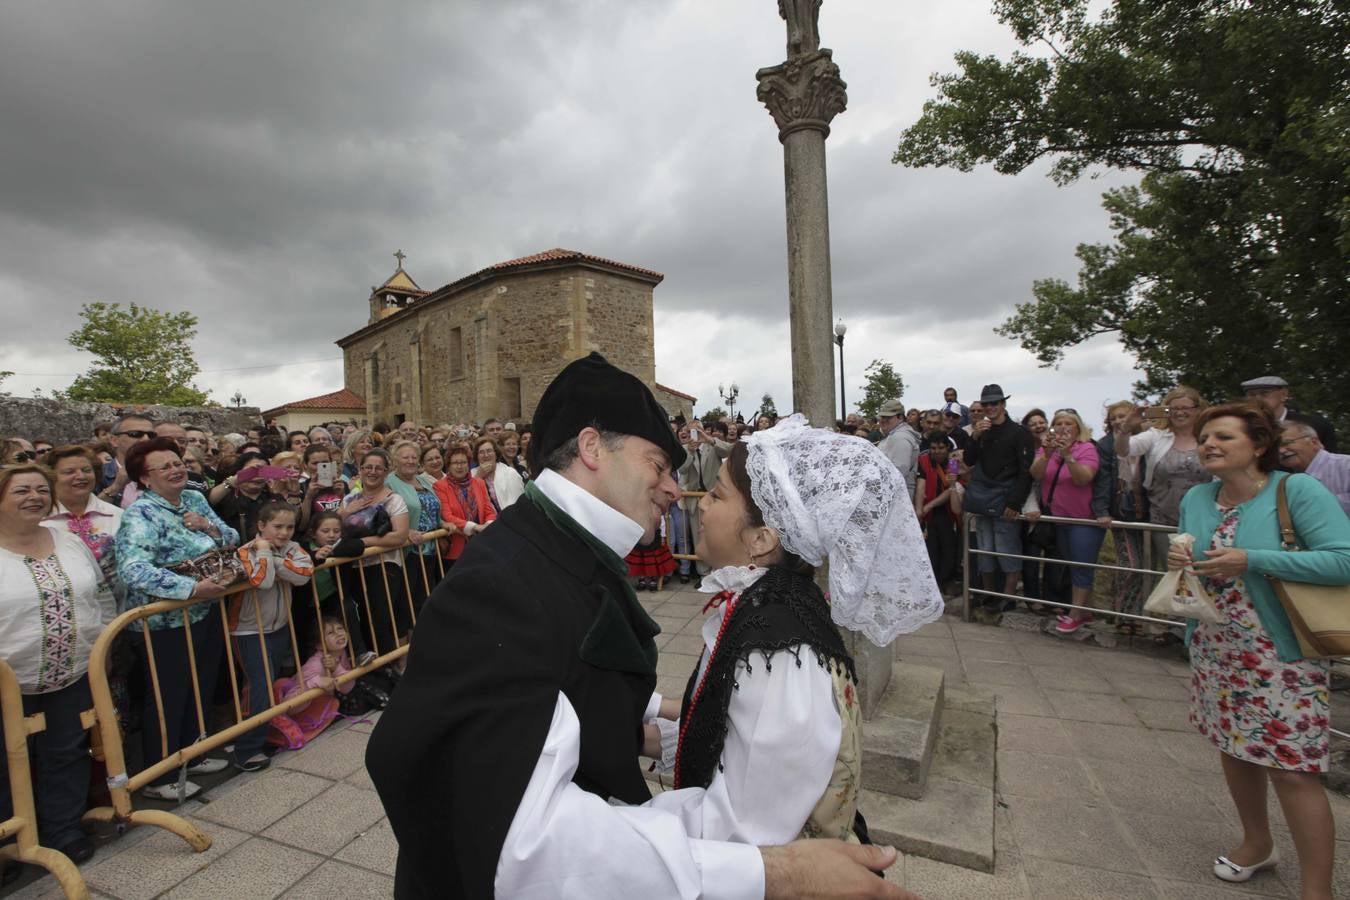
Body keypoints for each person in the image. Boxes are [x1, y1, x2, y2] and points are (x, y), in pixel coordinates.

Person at [366, 352, 913, 900]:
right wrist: (775, 873)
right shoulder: (501, 586)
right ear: (591, 449)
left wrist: (653, 722)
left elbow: (565, 686)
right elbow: (523, 841)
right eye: (658, 464)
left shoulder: (558, 553)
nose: (677, 491)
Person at [645, 416, 942, 848]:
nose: (702, 505)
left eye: (717, 494)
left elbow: (744, 832)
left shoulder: (780, 652)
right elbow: (725, 738)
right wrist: (636, 729)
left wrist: (609, 829)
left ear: (761, 539)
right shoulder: (765, 606)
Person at [1170, 401, 1350, 897]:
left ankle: (1318, 889)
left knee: (1293, 770)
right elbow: (1196, 557)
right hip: (1217, 646)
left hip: (1281, 652)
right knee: (1234, 750)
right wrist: (1179, 557)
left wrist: (1251, 559)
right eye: (1206, 437)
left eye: (1224, 437)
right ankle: (1257, 843)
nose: (1209, 444)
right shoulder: (1198, 498)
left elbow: (1344, 560)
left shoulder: (1298, 490)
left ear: (1260, 445)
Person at [0, 464, 114, 865]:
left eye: (40, 489)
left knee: (66, 751)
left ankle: (62, 829)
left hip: (73, 673)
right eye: (20, 491)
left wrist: (101, 646)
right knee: (5, 760)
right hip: (8, 684)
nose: (34, 497)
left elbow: (99, 594)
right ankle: (8, 841)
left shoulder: (68, 541)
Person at [116, 437, 238, 801]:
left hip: (204, 612)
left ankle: (193, 752)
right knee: (168, 694)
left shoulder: (196, 500)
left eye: (177, 462)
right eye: (164, 466)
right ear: (145, 478)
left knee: (199, 683)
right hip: (163, 622)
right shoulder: (141, 514)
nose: (176, 469)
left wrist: (209, 527)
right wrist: (190, 588)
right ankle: (161, 771)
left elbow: (230, 537)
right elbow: (133, 569)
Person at [231, 502, 313, 771]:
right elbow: (263, 581)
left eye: (289, 527)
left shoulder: (292, 548)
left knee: (264, 684)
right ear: (261, 526)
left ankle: (259, 733)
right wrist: (266, 554)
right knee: (258, 686)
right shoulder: (245, 551)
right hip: (249, 629)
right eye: (277, 527)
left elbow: (303, 575)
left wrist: (274, 560)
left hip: (277, 626)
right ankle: (247, 749)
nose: (284, 532)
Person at [1115, 386, 1209, 576]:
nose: (1180, 412)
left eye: (1186, 408)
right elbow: (1124, 450)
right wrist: (1125, 429)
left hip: (1204, 520)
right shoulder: (1157, 436)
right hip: (1164, 520)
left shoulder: (1208, 437)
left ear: (1198, 410)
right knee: (1175, 576)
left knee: (1203, 573)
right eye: (1174, 409)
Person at [963, 385, 1037, 619]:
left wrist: (1015, 502)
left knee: (1007, 548)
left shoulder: (1019, 432)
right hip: (984, 495)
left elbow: (1026, 470)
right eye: (986, 404)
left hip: (1006, 494)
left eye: (994, 403)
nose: (990, 408)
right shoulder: (980, 431)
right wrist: (975, 437)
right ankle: (988, 593)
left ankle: (1008, 596)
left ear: (1003, 404)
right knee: (985, 548)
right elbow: (969, 459)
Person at [1030, 410, 1103, 634]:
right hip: (1059, 518)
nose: (1063, 427)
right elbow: (1036, 474)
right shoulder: (1047, 450)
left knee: (1082, 565)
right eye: (1058, 423)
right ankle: (1083, 610)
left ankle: (1076, 614)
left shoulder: (1087, 448)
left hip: (1084, 519)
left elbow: (1083, 478)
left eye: (1068, 423)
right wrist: (1047, 454)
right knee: (1072, 565)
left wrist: (1069, 456)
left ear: (1077, 427)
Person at [337, 448, 410, 657]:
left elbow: (399, 536)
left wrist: (363, 543)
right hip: (353, 569)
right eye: (368, 467)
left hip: (383, 567)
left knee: (380, 621)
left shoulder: (393, 500)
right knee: (362, 624)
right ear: (359, 470)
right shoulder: (349, 499)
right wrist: (344, 512)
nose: (373, 471)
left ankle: (387, 671)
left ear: (386, 472)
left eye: (378, 468)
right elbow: (335, 530)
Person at [43, 444, 124, 595]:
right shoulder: (41, 521)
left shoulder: (118, 515)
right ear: (51, 477)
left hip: (123, 610)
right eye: (69, 472)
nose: (80, 476)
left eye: (87, 470)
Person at [1101, 401, 1149, 624]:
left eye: (1123, 416)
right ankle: (1121, 613)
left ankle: (1135, 617)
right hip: (1121, 512)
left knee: (1147, 568)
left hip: (1148, 512)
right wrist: (1102, 510)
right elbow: (1102, 481)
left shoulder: (1149, 441)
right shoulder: (1106, 445)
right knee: (1131, 565)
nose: (1119, 421)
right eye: (1114, 418)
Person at [678, 421, 733, 579]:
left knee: (717, 534)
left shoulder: (712, 446)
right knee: (698, 537)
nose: (693, 434)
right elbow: (682, 470)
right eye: (690, 431)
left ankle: (720, 571)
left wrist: (708, 439)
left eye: (697, 430)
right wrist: (689, 451)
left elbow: (729, 450)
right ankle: (703, 574)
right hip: (695, 499)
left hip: (715, 498)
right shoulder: (684, 449)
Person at [433, 443, 496, 567]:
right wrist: (475, 527)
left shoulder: (479, 483)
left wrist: (487, 526)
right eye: (455, 463)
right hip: (456, 548)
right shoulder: (440, 486)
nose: (459, 466)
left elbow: (489, 510)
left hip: (481, 544)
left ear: (469, 464)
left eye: (463, 462)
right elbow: (447, 515)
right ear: (448, 465)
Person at [915, 431, 962, 595]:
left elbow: (951, 488)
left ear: (947, 447)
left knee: (948, 547)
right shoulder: (923, 460)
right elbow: (921, 484)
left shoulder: (954, 462)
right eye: (934, 448)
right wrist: (919, 508)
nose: (937, 451)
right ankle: (932, 583)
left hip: (948, 511)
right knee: (931, 548)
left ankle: (945, 581)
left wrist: (928, 507)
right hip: (930, 512)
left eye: (941, 448)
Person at [1240, 375, 1337, 452]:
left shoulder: (1316, 425)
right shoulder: (1241, 426)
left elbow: (1329, 465)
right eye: (1251, 395)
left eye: (1264, 393)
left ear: (1283, 395)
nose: (1257, 399)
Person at [1278, 421, 1350, 516]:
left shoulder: (1346, 466)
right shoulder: (1282, 481)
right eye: (1275, 447)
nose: (1280, 450)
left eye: (1287, 443)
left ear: (1314, 442)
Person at [876, 399, 919, 496]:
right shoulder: (895, 435)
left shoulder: (901, 437)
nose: (883, 420)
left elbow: (898, 472)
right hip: (893, 495)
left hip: (897, 496)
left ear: (900, 417)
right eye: (882, 416)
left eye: (888, 417)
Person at [471, 435, 524, 512]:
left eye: (489, 451)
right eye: (481, 452)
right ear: (477, 456)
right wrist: (478, 477)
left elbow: (518, 503)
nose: (486, 455)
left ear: (496, 453)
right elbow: (469, 502)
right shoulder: (472, 474)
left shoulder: (510, 473)